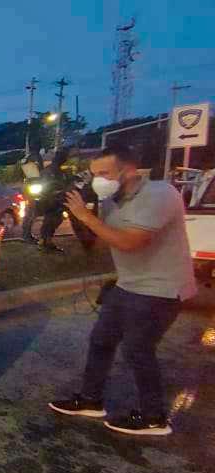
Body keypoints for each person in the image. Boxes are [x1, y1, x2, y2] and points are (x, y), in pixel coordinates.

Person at [48, 144, 196, 436]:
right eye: (93, 174)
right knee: (101, 340)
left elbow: (131, 242)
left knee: (137, 350)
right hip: (128, 285)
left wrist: (87, 217)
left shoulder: (160, 195)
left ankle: (154, 418)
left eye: (104, 173)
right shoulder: (111, 201)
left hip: (161, 288)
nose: (97, 180)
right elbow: (102, 244)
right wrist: (79, 220)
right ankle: (91, 399)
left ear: (128, 170)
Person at [37, 149, 73, 253]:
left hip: (57, 201)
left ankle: (47, 242)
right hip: (50, 201)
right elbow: (46, 187)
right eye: (64, 158)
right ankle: (44, 242)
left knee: (54, 221)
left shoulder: (58, 171)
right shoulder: (50, 171)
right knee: (49, 221)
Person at [20, 153, 43, 243]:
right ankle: (26, 236)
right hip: (31, 191)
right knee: (30, 214)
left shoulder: (32, 157)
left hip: (31, 190)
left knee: (30, 214)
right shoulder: (34, 158)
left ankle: (27, 235)